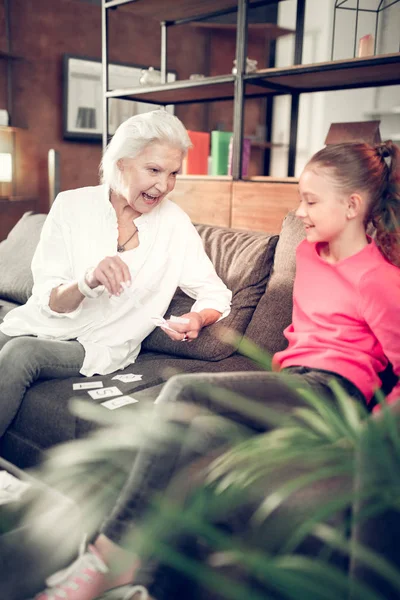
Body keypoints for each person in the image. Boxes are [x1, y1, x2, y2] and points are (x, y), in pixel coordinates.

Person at [32, 139, 400, 600]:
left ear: (352, 205)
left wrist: (370, 432)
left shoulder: (379, 279)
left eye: (309, 201)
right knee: (194, 452)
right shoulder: (308, 254)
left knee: (186, 392)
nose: (299, 212)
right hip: (291, 385)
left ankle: (110, 554)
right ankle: (153, 584)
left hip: (332, 396)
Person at [0, 109, 232, 439]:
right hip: (45, 322)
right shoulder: (70, 206)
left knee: (22, 354)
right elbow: (49, 300)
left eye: (173, 174)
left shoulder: (175, 225)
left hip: (98, 346)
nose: (164, 186)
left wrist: (197, 318)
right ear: (121, 162)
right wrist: (87, 280)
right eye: (153, 169)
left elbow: (215, 293)